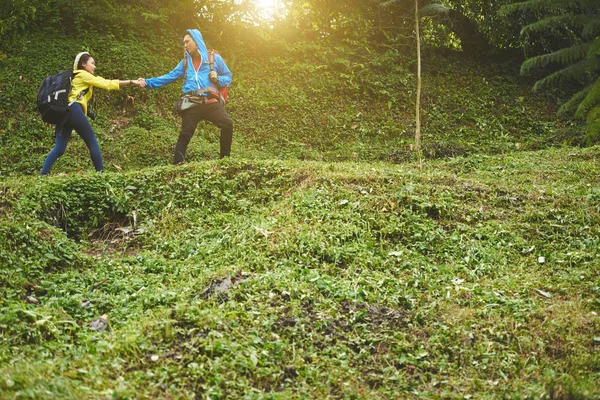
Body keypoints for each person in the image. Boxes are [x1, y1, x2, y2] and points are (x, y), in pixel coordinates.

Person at [40, 52, 144, 175]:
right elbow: (107, 84)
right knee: (92, 141)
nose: (95, 67)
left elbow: (76, 96)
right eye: (92, 63)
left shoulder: (75, 77)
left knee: (60, 148)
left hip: (65, 112)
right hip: (73, 110)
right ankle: (101, 174)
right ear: (83, 64)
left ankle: (43, 175)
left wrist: (87, 111)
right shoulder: (83, 75)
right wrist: (132, 81)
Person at [139, 29, 233, 162]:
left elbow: (228, 76)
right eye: (183, 43)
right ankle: (177, 164)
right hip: (192, 103)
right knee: (185, 134)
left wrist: (217, 78)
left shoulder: (214, 58)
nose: (185, 45)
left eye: (187, 41)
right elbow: (169, 76)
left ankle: (225, 161)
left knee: (227, 124)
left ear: (196, 41)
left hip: (211, 102)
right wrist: (147, 82)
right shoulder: (185, 62)